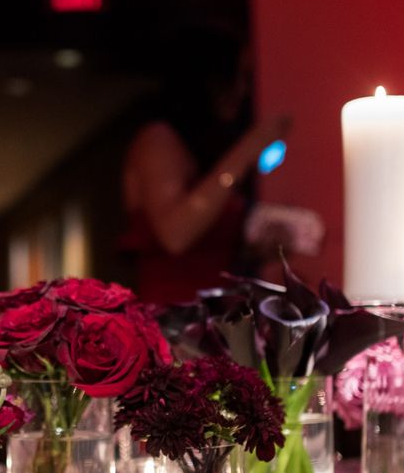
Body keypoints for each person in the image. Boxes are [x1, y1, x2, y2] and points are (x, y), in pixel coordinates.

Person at [119, 25, 289, 304]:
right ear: (212, 78)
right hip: (174, 316)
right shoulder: (157, 140)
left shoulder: (203, 147)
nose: (244, 90)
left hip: (218, 311)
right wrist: (247, 149)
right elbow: (175, 235)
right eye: (239, 76)